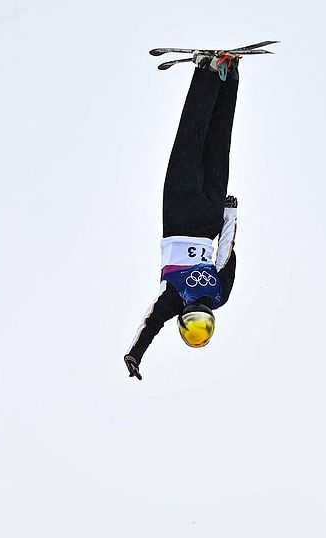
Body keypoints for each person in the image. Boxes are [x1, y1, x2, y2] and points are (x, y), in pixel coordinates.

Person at [124, 52, 244, 381]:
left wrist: (135, 355)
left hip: (181, 214)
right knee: (217, 147)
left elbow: (151, 324)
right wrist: (230, 214)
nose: (197, 318)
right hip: (207, 221)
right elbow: (225, 254)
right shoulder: (218, 295)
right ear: (211, 322)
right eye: (203, 325)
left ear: (182, 321)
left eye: (192, 325)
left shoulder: (173, 298)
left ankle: (209, 73)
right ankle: (229, 77)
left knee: (191, 143)